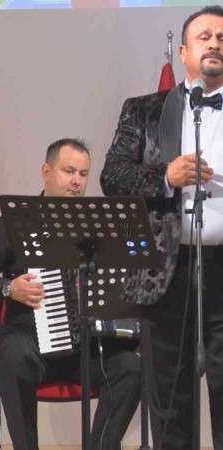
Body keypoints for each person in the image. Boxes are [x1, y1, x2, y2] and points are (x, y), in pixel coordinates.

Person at [0, 138, 141, 450]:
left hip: (87, 348)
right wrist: (9, 288)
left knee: (131, 367)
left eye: (83, 174)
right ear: (46, 172)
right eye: (68, 171)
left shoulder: (101, 225)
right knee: (13, 356)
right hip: (30, 345)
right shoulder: (18, 222)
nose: (76, 181)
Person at [100, 6, 223, 449]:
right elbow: (112, 176)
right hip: (165, 272)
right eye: (205, 37)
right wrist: (164, 177)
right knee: (170, 400)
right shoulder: (145, 111)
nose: (215, 44)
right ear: (185, 51)